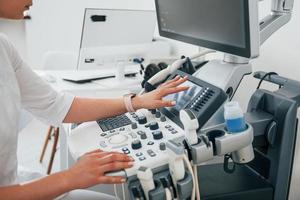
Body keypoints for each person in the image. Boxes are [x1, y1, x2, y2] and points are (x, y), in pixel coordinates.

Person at [0, 0, 189, 199]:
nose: (32, 0)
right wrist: (70, 178)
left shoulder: (3, 47)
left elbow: (57, 106)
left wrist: (135, 102)